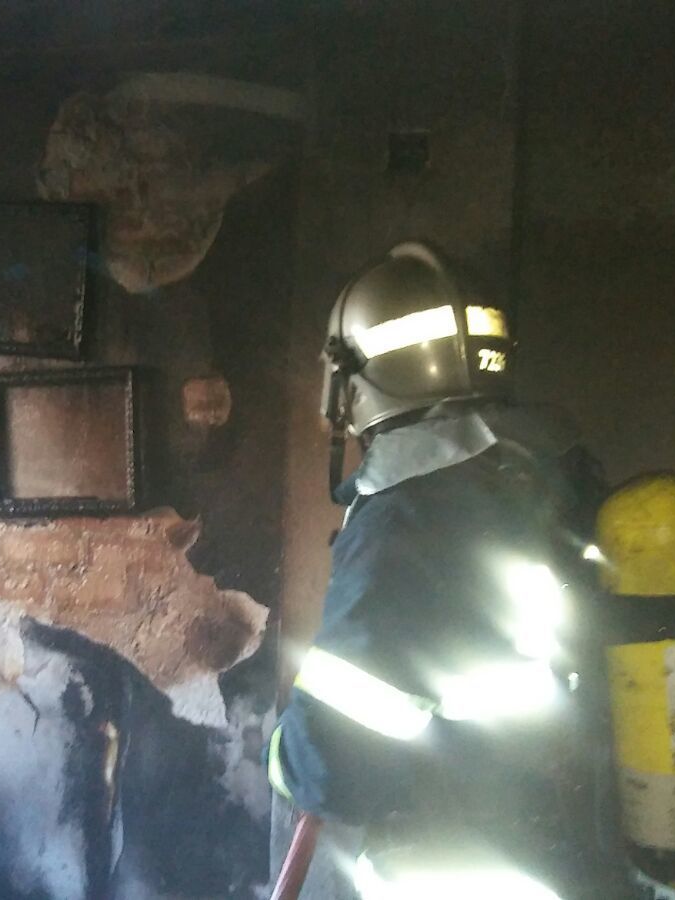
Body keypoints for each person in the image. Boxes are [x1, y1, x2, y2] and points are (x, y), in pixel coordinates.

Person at [266, 242, 639, 898]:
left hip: (466, 865)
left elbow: (332, 765)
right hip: (586, 855)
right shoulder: (557, 473)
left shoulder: (408, 516)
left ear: (349, 382)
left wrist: (283, 759)